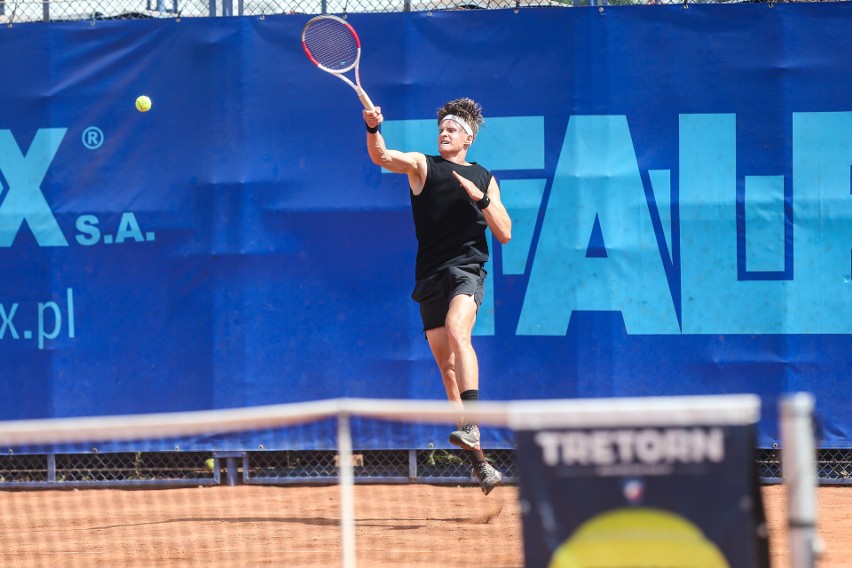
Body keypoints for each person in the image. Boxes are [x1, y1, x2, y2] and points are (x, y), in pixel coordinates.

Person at [363, 98, 512, 495]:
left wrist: (479, 197)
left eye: (452, 129)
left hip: (467, 268)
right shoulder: (422, 165)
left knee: (457, 330)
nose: (444, 134)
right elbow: (382, 156)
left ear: (469, 137)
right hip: (430, 275)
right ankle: (481, 465)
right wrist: (374, 128)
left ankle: (473, 420)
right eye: (441, 129)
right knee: (446, 369)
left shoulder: (483, 176)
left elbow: (505, 230)